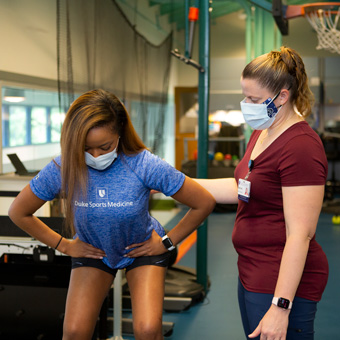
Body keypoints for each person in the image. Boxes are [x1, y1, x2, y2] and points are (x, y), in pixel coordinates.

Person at [8, 89, 216, 340]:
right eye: (87, 148)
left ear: (119, 132)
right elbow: (18, 212)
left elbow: (203, 202)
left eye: (104, 146)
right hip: (94, 250)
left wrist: (167, 243)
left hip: (142, 249)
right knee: (74, 332)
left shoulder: (143, 164)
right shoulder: (63, 167)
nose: (95, 155)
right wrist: (64, 245)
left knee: (148, 330)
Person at [195, 46, 328, 340]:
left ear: (282, 96)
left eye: (254, 99)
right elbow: (242, 187)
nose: (246, 104)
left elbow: (300, 234)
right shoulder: (263, 130)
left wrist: (280, 307)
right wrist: (176, 182)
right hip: (252, 269)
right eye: (245, 96)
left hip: (281, 280)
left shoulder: (301, 146)